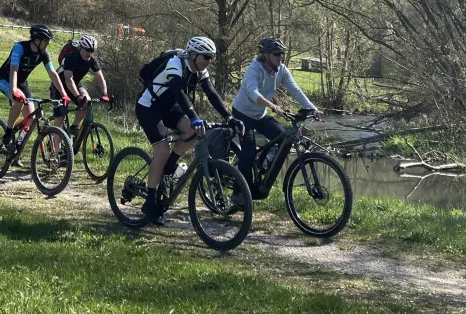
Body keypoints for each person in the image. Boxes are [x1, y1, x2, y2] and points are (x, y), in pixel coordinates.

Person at [135, 35, 243, 223]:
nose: (209, 61)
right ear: (193, 55)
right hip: (149, 107)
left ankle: (169, 166)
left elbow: (212, 94)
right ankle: (150, 201)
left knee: (194, 132)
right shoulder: (175, 64)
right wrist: (194, 117)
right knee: (162, 151)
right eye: (206, 57)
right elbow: (178, 91)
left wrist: (229, 117)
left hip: (169, 107)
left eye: (211, 57)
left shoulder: (201, 71)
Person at [232, 37, 316, 182]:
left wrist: (312, 107)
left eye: (282, 53)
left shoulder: (281, 70)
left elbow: (294, 90)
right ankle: (240, 194)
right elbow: (253, 93)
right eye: (277, 54)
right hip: (242, 114)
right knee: (249, 152)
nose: (280, 57)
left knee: (284, 138)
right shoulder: (253, 70)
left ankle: (261, 164)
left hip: (260, 114)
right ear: (266, 54)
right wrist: (272, 105)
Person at [0, 24, 66, 153]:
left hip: (22, 83)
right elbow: (14, 70)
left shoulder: (43, 53)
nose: (47, 44)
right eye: (46, 41)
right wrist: (13, 89)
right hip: (5, 80)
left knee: (31, 119)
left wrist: (63, 94)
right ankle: (8, 133)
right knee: (19, 100)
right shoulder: (20, 48)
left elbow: (52, 73)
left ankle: (16, 151)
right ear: (37, 40)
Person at [50, 34, 110, 138]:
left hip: (75, 84)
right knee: (60, 117)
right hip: (59, 86)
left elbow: (100, 78)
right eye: (87, 50)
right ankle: (57, 150)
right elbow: (68, 79)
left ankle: (74, 126)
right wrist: (78, 96)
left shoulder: (92, 61)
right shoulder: (71, 57)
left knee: (87, 102)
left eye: (92, 51)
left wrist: (105, 93)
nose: (89, 53)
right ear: (81, 48)